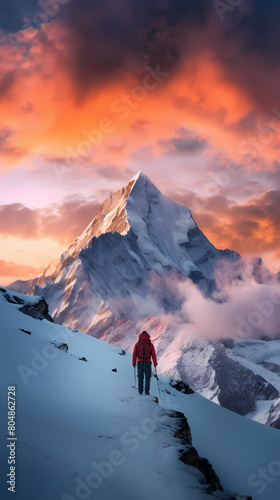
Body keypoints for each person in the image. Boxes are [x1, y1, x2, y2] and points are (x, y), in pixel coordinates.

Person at [132, 331, 157, 395]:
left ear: (140, 336)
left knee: (140, 377)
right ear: (147, 336)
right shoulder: (150, 344)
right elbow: (153, 354)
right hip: (148, 362)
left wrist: (133, 363)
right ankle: (147, 392)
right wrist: (155, 362)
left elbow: (135, 354)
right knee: (147, 377)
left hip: (140, 362)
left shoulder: (137, 344)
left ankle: (140, 392)